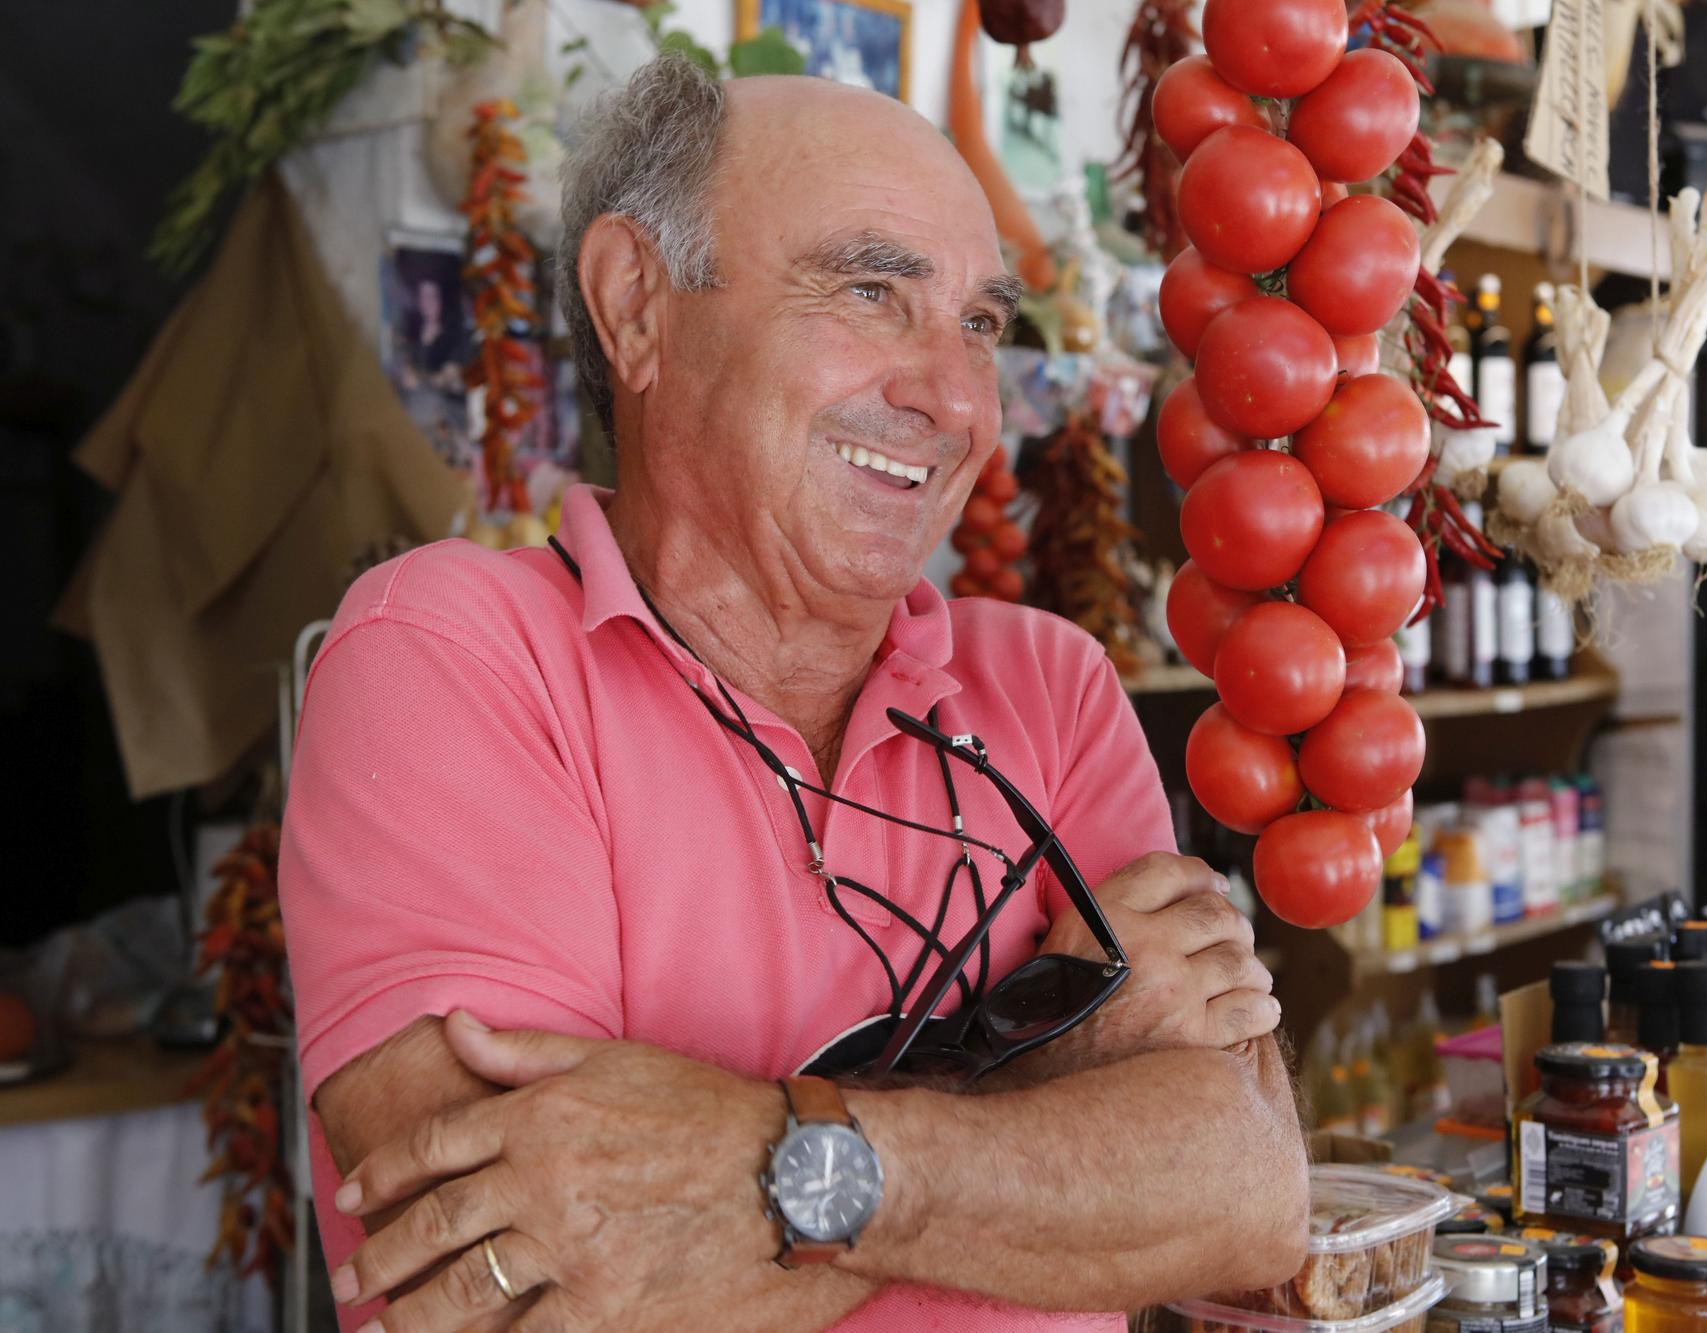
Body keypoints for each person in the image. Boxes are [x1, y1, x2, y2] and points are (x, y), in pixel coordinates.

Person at [279, 53, 1308, 1333]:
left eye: (980, 323)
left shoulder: (1048, 682)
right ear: (636, 305)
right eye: (871, 292)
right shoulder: (449, 654)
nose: (951, 397)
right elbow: (520, 1293)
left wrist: (765, 1173)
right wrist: (1046, 1053)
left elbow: (1242, 1190)